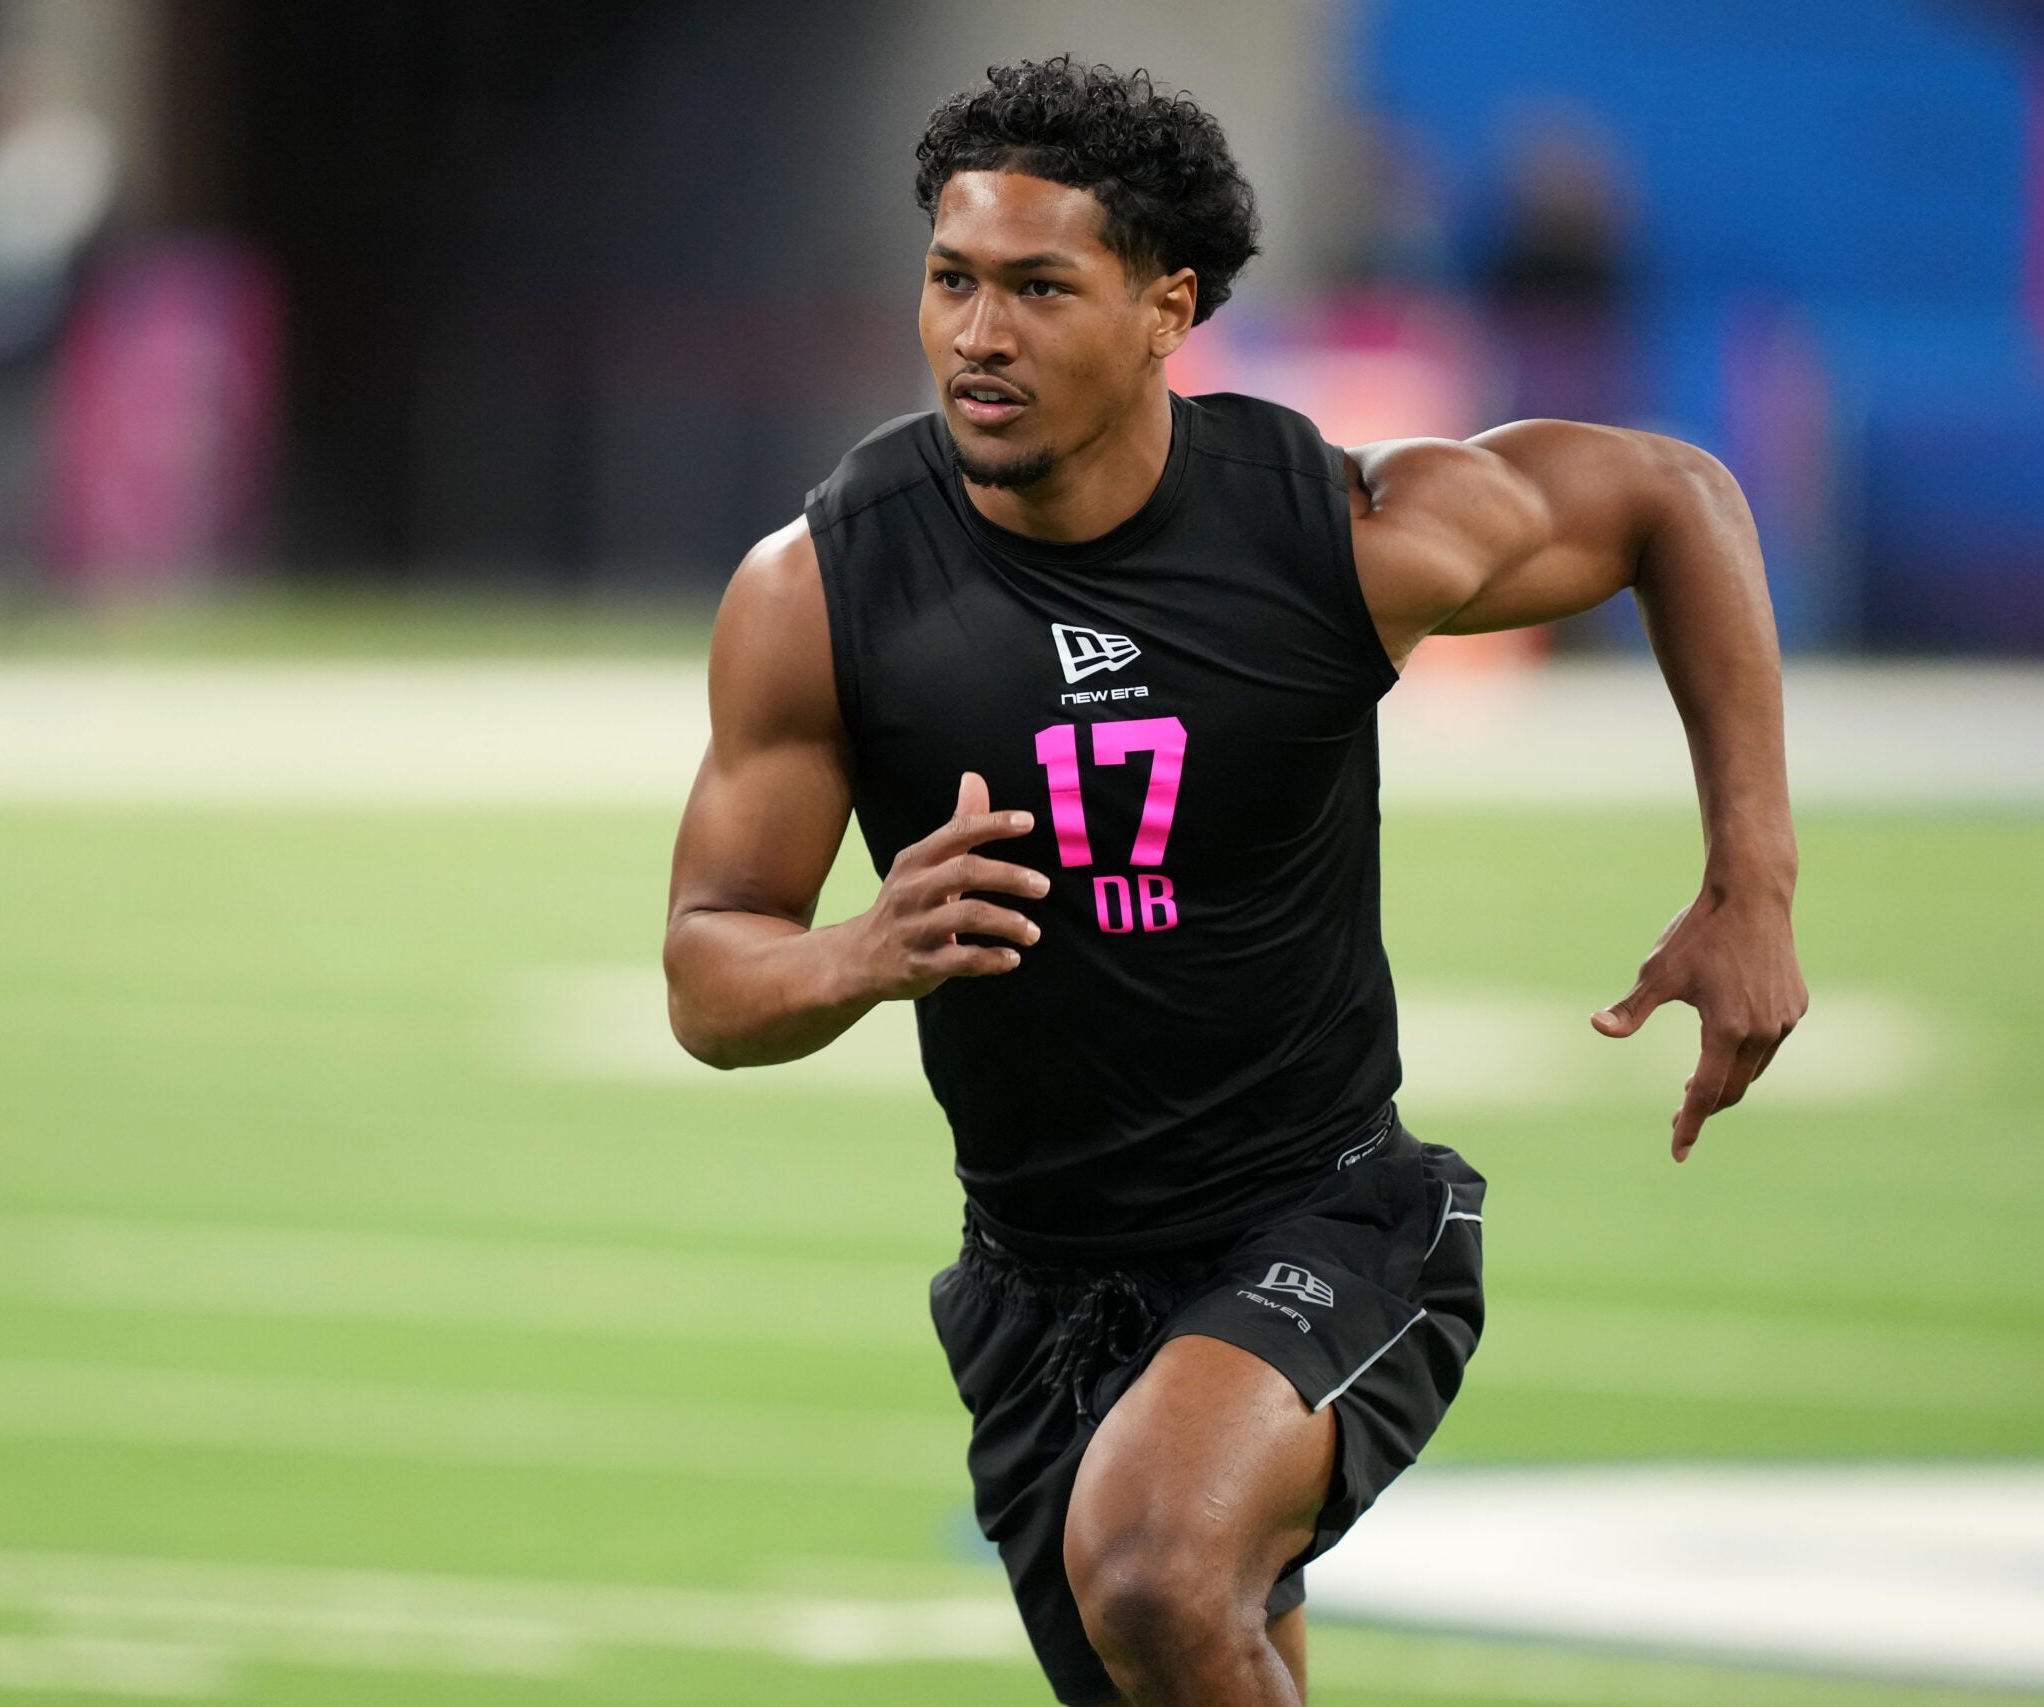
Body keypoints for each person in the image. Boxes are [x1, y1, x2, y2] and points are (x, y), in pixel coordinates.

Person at [662, 56, 1807, 1707]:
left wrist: (1748, 883)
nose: (980, 335)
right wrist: (859, 950)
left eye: (1040, 289)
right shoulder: (822, 585)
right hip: (1038, 1286)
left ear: (1164, 308)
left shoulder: (1332, 533)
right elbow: (709, 973)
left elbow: (1672, 497)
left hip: (1328, 1215)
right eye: (952, 281)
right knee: (1191, 1641)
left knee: (1150, 1562)